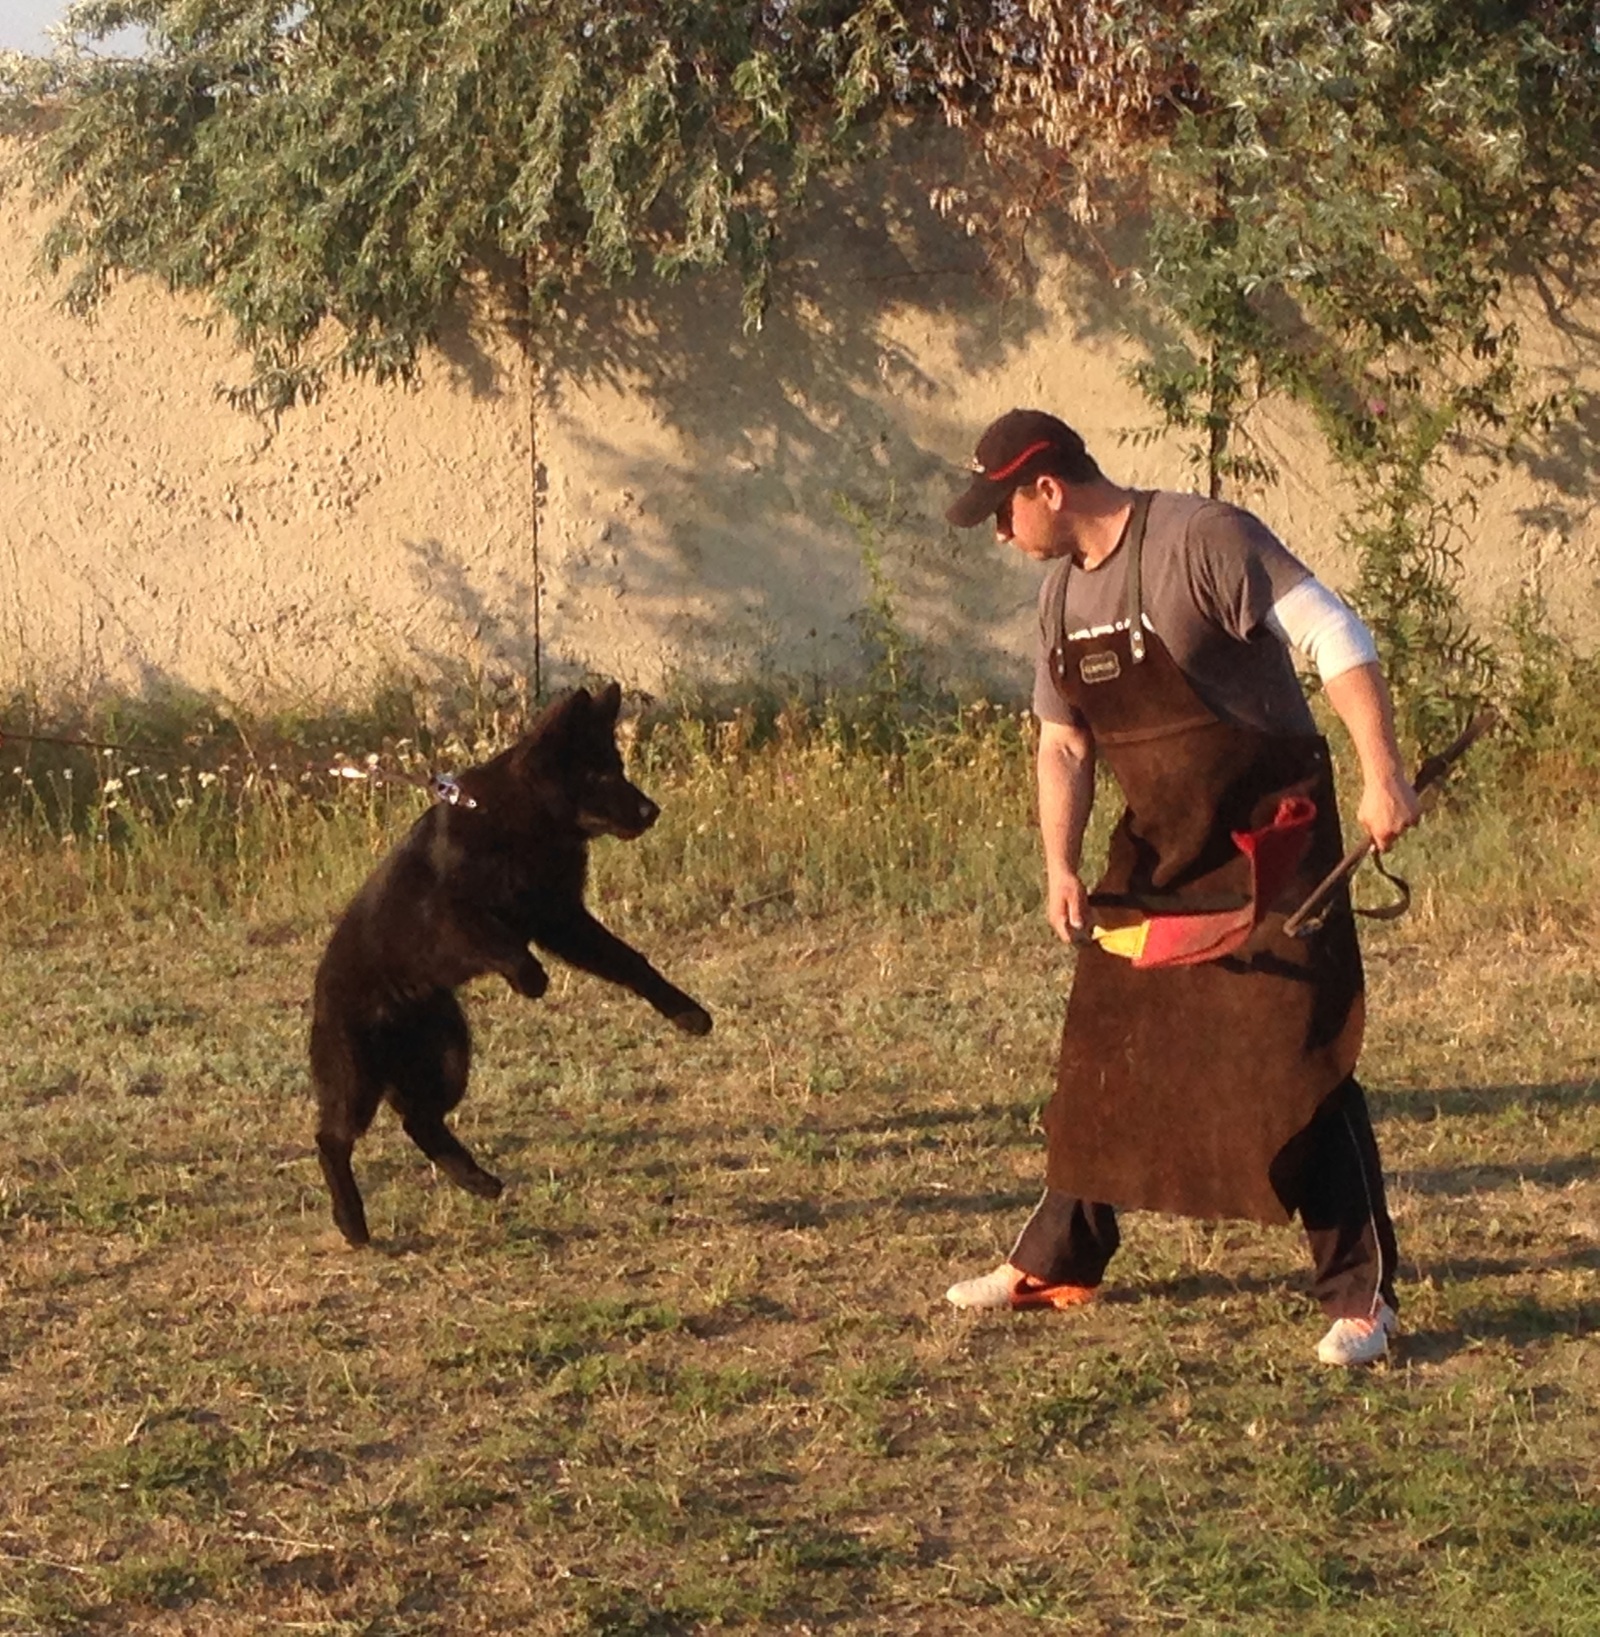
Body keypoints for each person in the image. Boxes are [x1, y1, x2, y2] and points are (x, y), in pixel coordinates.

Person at [941, 409, 1421, 1366]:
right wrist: (1060, 863)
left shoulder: (1202, 539)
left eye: (1002, 511)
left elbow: (1333, 628)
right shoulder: (1058, 605)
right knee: (1110, 1043)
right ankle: (1058, 1259)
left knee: (1296, 1055)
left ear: (1048, 488)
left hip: (1272, 843)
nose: (999, 533)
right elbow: (1065, 741)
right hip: (1161, 852)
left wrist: (1381, 772)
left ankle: (1362, 1299)